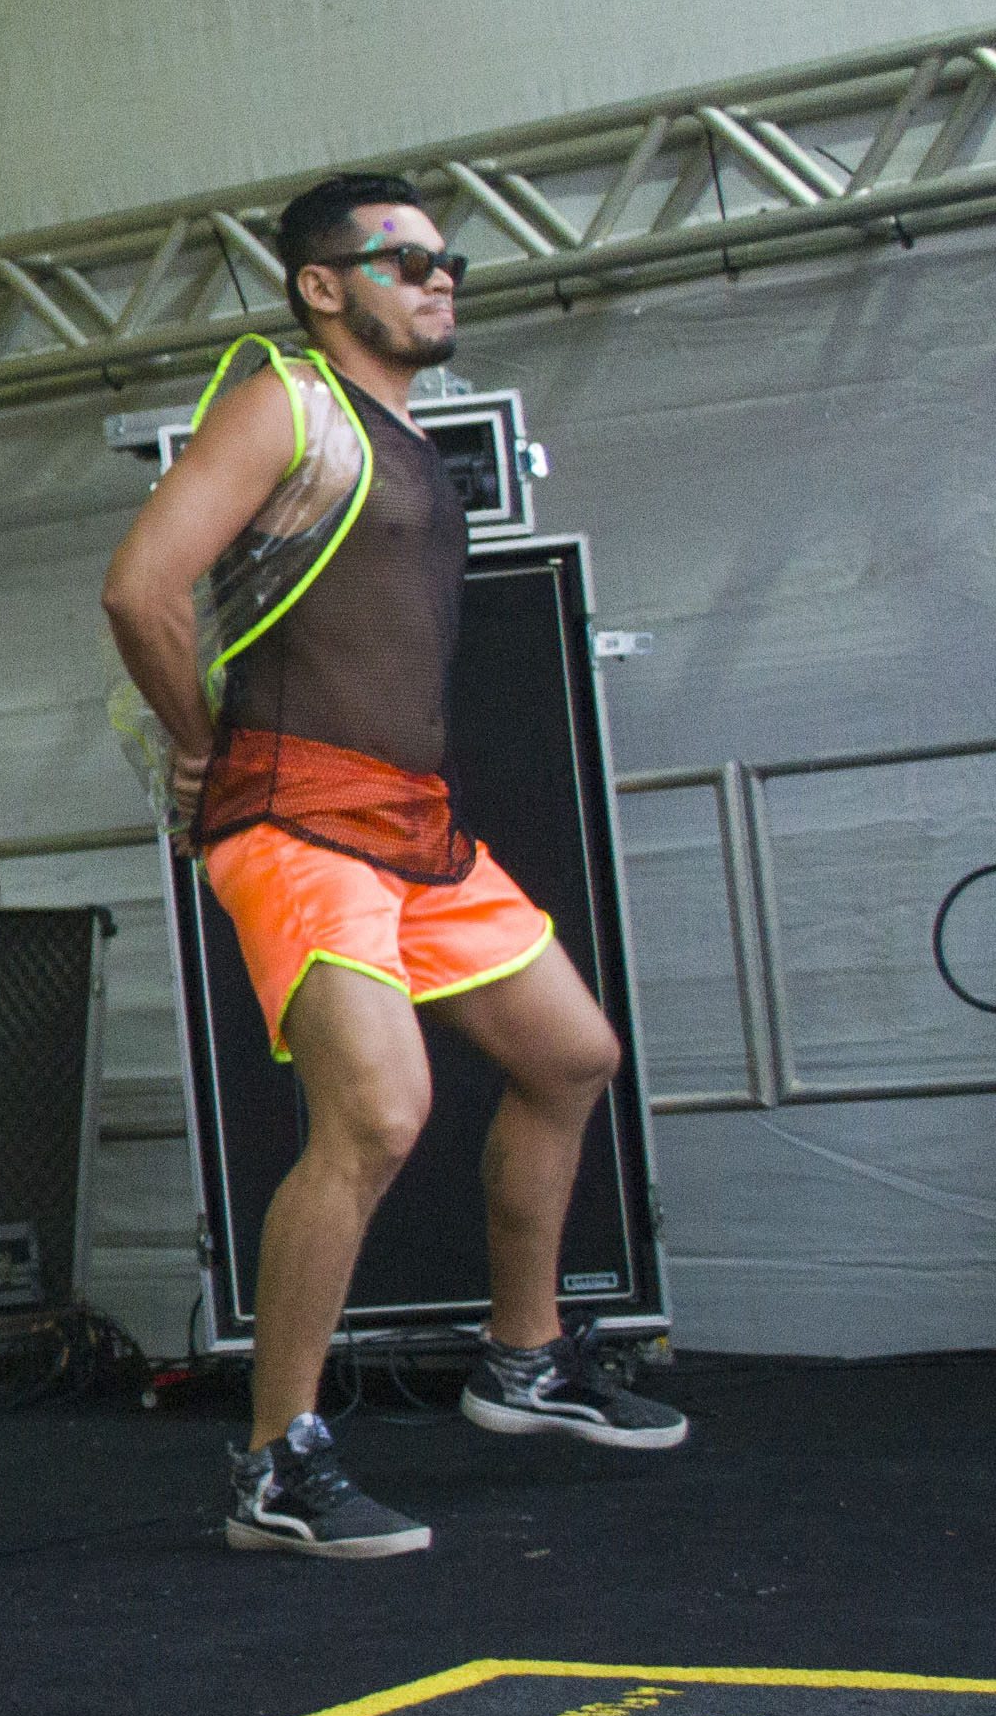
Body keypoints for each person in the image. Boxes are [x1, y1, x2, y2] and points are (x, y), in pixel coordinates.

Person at [102, 171, 682, 1563]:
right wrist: (203, 750)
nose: (439, 279)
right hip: (295, 819)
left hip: (413, 826)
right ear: (320, 287)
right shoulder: (284, 403)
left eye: (446, 261)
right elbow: (140, 586)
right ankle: (274, 1462)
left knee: (570, 1056)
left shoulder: (404, 434)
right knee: (375, 1113)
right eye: (403, 260)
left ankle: (524, 1356)